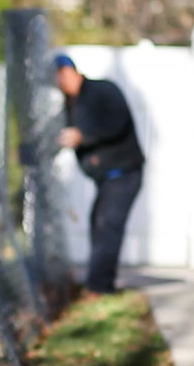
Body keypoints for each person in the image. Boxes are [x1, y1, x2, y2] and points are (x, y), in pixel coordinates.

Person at [54, 53, 145, 294]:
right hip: (107, 179)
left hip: (123, 173)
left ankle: (100, 286)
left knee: (108, 225)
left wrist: (83, 136)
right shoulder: (72, 105)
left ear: (71, 72)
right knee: (99, 224)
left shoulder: (102, 90)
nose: (61, 84)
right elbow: (58, 133)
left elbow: (116, 122)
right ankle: (98, 283)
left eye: (62, 77)